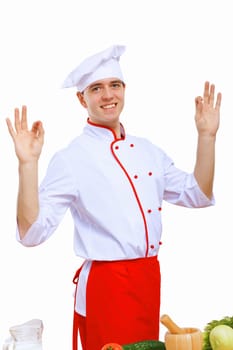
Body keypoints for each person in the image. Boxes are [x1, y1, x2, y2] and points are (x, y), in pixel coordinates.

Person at [6, 45, 221, 350]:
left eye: (114, 85)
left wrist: (207, 137)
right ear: (82, 98)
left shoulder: (148, 150)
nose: (108, 95)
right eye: (96, 88)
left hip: (148, 278)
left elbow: (198, 193)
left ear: (124, 89)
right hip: (107, 287)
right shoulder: (72, 158)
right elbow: (31, 233)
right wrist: (27, 165)